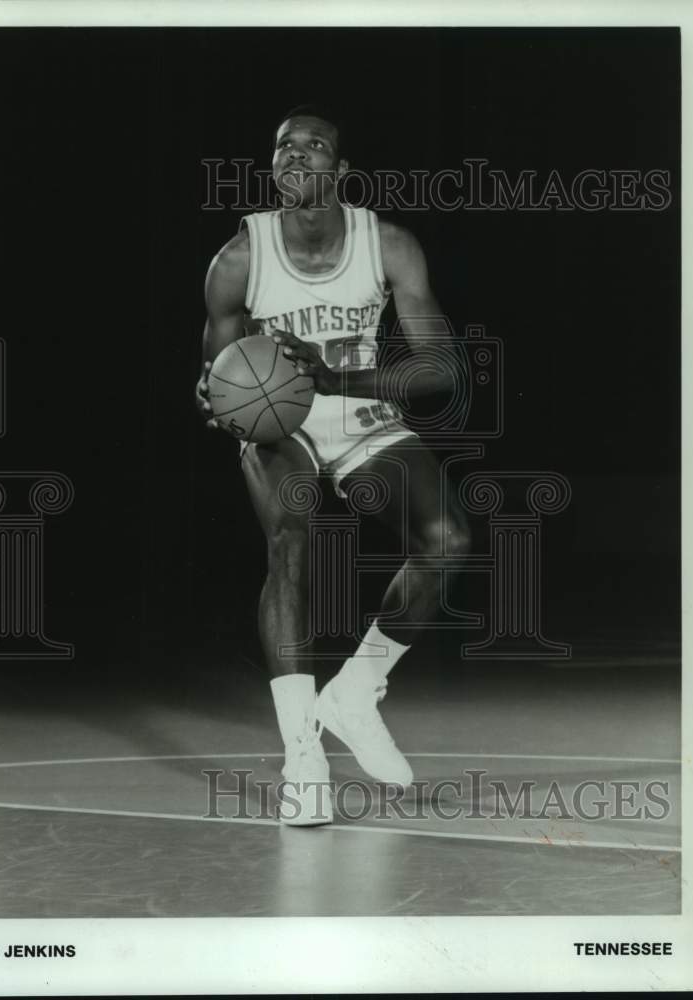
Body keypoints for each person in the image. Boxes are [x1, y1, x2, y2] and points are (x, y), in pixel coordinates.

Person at [196, 105, 470, 825]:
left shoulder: (388, 246)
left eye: (314, 146)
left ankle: (355, 692)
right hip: (279, 425)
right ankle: (301, 756)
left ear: (340, 172)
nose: (296, 154)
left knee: (447, 542)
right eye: (284, 146)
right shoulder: (238, 259)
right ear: (273, 167)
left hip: (358, 409)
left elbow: (441, 371)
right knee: (292, 536)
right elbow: (217, 370)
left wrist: (332, 379)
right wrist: (213, 393)